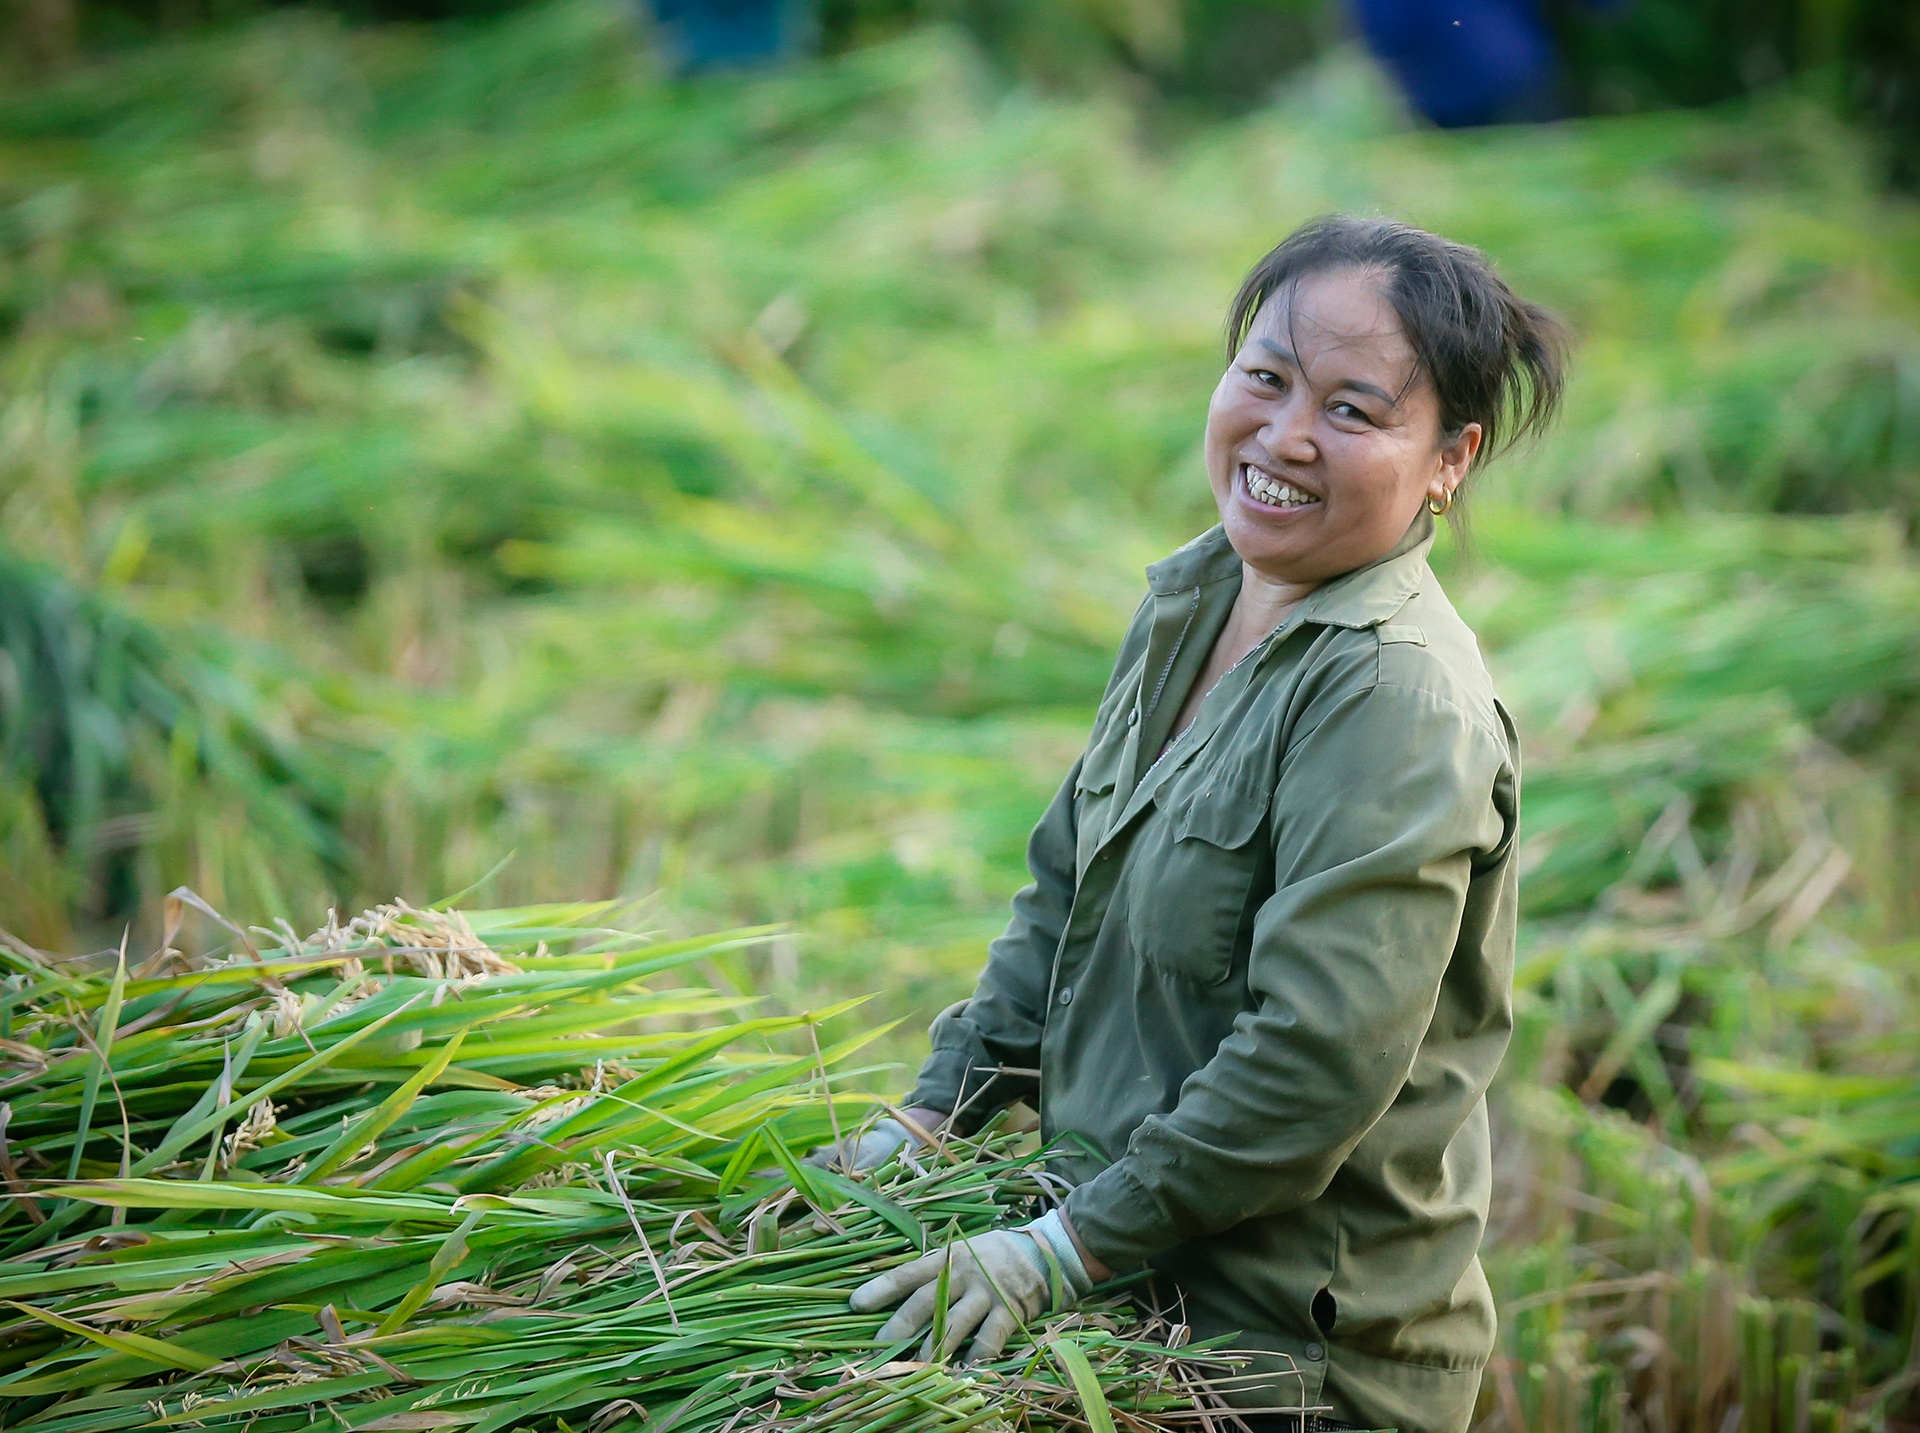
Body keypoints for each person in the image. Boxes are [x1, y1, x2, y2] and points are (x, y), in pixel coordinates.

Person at [817, 215, 1568, 1433]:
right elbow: (1068, 892)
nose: (1283, 436)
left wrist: (1062, 1247)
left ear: (1451, 459)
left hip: (1279, 1357)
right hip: (1133, 1285)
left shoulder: (1396, 700)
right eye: (1265, 378)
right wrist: (930, 1113)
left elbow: (1314, 1062)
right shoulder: (1201, 592)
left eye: (1353, 411)